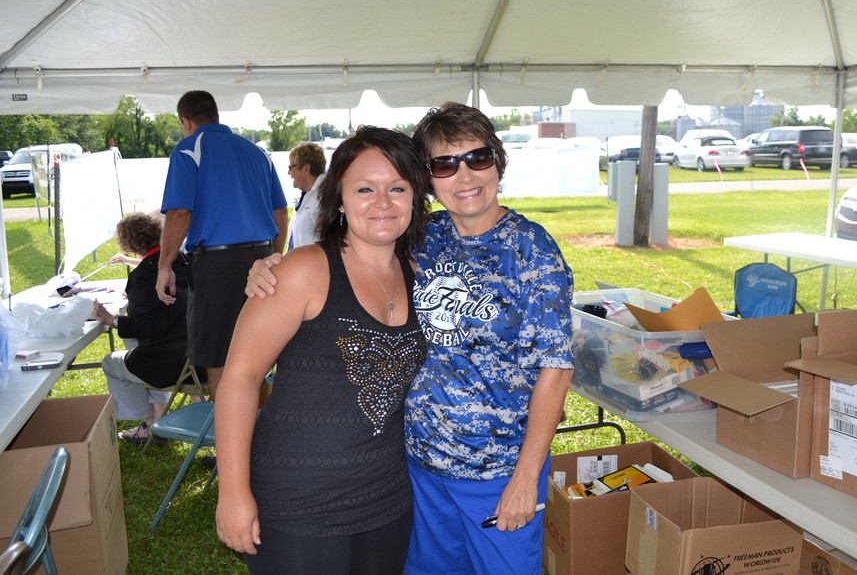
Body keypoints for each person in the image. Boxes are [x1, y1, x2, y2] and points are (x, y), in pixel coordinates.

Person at [246, 103, 575, 575]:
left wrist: (526, 477)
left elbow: (556, 369)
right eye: (445, 164)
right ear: (428, 180)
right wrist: (269, 267)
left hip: (497, 471)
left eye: (478, 157)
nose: (464, 175)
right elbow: (357, 251)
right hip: (418, 468)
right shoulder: (422, 237)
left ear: (498, 162)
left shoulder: (532, 250)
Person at [216, 127, 431, 574]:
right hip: (297, 505)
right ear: (340, 200)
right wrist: (232, 492)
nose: (383, 202)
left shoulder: (421, 274)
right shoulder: (304, 270)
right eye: (365, 189)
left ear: (414, 196)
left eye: (397, 188)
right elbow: (240, 378)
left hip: (387, 501)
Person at [155, 90, 288, 401]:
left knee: (218, 355)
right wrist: (274, 255)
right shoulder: (258, 152)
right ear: (215, 115)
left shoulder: (188, 149)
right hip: (262, 256)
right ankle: (259, 424)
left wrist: (164, 267)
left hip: (218, 266)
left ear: (186, 122)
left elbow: (179, 212)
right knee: (259, 350)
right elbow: (280, 211)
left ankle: (228, 430)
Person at [92, 212, 192, 445]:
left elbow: (149, 327)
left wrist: (113, 320)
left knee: (110, 362)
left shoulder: (143, 276)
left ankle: (149, 422)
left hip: (170, 362)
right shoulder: (181, 259)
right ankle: (158, 415)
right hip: (193, 356)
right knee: (135, 346)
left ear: (128, 244)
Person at [286, 141, 327, 250]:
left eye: (290, 167)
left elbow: (330, 243)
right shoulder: (305, 196)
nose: (289, 173)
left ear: (305, 169)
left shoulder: (324, 198)